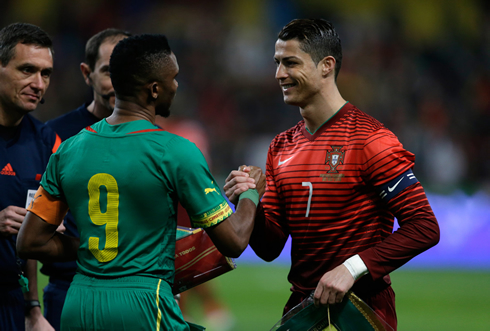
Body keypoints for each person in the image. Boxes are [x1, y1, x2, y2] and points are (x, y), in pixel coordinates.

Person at [16, 34, 263, 330]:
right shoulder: (175, 150)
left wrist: (91, 247)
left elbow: (29, 241)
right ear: (155, 89)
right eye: (174, 78)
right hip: (144, 303)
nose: (177, 85)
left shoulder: (69, 148)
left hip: (78, 303)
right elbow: (234, 242)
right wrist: (250, 193)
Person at [223, 18, 440, 330]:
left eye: (290, 63)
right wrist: (248, 200)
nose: (279, 74)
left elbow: (424, 227)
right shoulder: (280, 147)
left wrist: (352, 268)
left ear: (326, 66)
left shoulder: (370, 139)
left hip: (362, 308)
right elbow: (270, 249)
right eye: (277, 63)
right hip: (302, 309)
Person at [41, 28, 131, 331]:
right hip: (70, 289)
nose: (119, 81)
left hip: (135, 293)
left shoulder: (155, 141)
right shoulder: (52, 136)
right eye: (108, 71)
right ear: (86, 73)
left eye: (127, 70)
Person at [0, 22, 61, 330]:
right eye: (27, 70)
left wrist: (33, 308)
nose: (38, 83)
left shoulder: (46, 141)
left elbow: (30, 237)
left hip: (12, 301)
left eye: (45, 73)